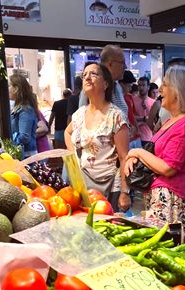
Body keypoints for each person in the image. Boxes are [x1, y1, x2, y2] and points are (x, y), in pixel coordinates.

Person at [122, 65, 185, 243]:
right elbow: (156, 154)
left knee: (167, 248)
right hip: (161, 196)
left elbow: (169, 167)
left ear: (177, 91)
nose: (160, 90)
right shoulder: (174, 120)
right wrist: (136, 156)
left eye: (165, 85)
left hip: (171, 198)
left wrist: (137, 151)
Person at [66, 62, 130, 211]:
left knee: (105, 228)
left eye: (93, 74)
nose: (87, 77)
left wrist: (124, 192)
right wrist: (73, 155)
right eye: (84, 75)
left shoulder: (116, 116)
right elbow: (67, 133)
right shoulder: (79, 114)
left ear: (106, 84)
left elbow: (124, 157)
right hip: (83, 182)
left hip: (110, 185)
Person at [79, 44, 128, 118]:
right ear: (110, 64)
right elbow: (82, 119)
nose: (125, 67)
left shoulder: (117, 86)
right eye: (122, 63)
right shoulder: (93, 86)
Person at [9, 73, 39, 158]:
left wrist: (11, 139)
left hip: (26, 156)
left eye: (9, 85)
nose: (8, 89)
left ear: (16, 89)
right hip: (21, 154)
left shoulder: (25, 110)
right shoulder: (18, 108)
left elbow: (24, 137)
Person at [133, 76, 155, 145]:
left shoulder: (153, 103)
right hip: (135, 137)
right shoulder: (132, 100)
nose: (141, 88)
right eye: (139, 85)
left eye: (143, 85)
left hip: (149, 138)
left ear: (148, 87)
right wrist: (144, 118)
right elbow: (129, 117)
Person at [120, 70, 139, 148]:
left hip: (135, 136)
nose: (130, 88)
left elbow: (132, 114)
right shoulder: (117, 99)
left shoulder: (129, 97)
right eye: (128, 86)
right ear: (121, 84)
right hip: (126, 136)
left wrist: (137, 129)